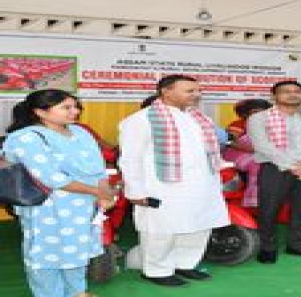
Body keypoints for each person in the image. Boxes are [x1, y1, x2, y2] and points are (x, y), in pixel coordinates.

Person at [118, 75, 229, 286]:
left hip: (202, 185)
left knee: (199, 227)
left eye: (198, 91)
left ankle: (185, 264)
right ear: (166, 91)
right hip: (162, 187)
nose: (196, 95)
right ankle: (156, 271)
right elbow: (130, 158)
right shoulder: (141, 120)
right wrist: (135, 191)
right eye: (190, 91)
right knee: (161, 230)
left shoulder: (200, 119)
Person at [2, 89, 115, 297]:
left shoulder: (81, 132)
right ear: (41, 112)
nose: (75, 111)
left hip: (84, 205)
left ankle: (77, 291)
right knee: (46, 254)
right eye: (67, 107)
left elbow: (99, 167)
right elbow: (52, 178)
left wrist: (104, 192)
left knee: (77, 249)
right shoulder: (26, 138)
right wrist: (98, 192)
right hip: (46, 206)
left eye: (76, 106)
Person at [248, 80, 301, 263]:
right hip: (275, 168)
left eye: (297, 91)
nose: (292, 94)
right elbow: (263, 146)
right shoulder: (259, 118)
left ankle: (298, 245)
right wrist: (297, 167)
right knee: (269, 210)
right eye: (286, 91)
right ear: (274, 96)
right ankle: (267, 248)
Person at [222, 99, 272, 206]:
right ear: (246, 113)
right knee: (257, 163)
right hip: (236, 154)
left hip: (257, 153)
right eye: (255, 112)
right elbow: (229, 141)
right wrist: (252, 149)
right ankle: (253, 199)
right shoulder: (239, 124)